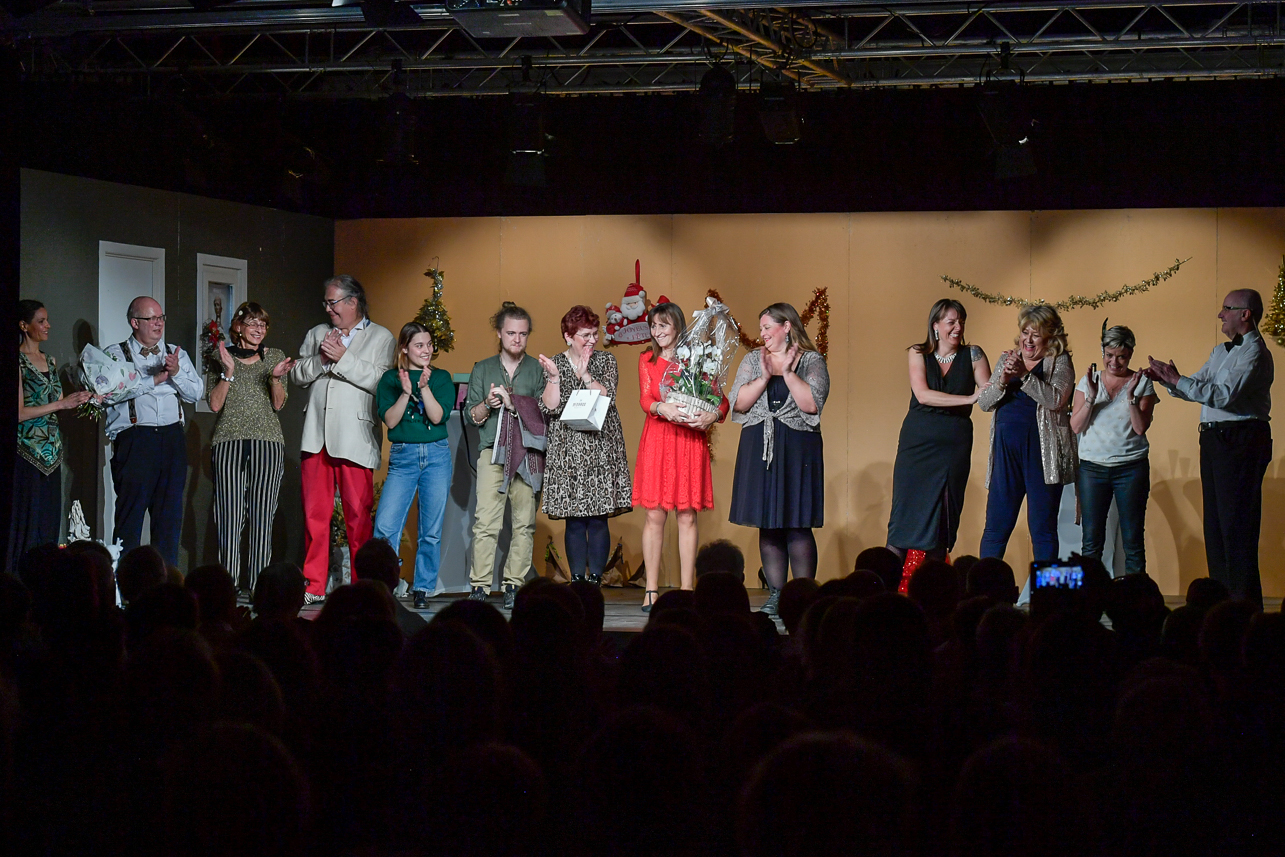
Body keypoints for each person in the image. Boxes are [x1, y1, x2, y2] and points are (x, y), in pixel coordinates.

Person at [1146, 289, 1273, 608]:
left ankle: (1243, 609)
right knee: (1215, 528)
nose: (1220, 314)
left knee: (1236, 527)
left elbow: (1223, 396)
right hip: (1216, 440)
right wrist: (1168, 380)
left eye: (1226, 308)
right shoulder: (1220, 351)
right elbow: (1199, 387)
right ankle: (1222, 608)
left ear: (1245, 314)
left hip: (1241, 439)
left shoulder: (1254, 352)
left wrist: (1178, 379)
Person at [290, 275, 396, 604]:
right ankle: (313, 585)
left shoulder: (381, 337)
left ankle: (364, 586)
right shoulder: (317, 334)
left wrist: (343, 358)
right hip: (316, 436)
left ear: (353, 302)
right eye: (325, 302)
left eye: (333, 302)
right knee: (314, 516)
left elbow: (382, 381)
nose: (328, 309)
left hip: (355, 436)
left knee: (357, 517)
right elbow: (297, 374)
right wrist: (322, 360)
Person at [728, 303, 830, 616]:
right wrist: (763, 377)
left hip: (797, 447)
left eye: (767, 327)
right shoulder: (753, 359)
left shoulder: (811, 360)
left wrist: (786, 373)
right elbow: (738, 402)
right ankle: (777, 594)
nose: (762, 334)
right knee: (768, 522)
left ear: (786, 327)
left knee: (796, 522)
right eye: (761, 328)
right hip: (759, 445)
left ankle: (804, 596)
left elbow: (812, 404)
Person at [633, 300, 727, 612]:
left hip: (688, 442)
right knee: (654, 514)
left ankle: (687, 590)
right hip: (658, 439)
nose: (657, 331)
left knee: (687, 515)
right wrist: (661, 407)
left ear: (678, 327)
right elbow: (645, 398)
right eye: (653, 326)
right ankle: (651, 589)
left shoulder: (697, 359)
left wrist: (713, 415)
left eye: (664, 325)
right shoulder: (647, 359)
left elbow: (722, 400)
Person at [886, 299, 991, 566]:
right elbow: (923, 395)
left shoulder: (974, 354)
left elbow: (988, 397)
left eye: (961, 322)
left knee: (942, 525)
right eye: (951, 322)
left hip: (953, 447)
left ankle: (934, 588)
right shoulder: (917, 352)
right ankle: (885, 588)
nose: (958, 328)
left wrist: (1004, 376)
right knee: (903, 521)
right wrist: (968, 398)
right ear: (935, 325)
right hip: (918, 445)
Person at [104, 296, 204, 567]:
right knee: (130, 518)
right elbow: (111, 393)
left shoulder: (175, 353)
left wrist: (177, 372)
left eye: (161, 318)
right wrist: (154, 379)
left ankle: (166, 582)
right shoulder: (115, 354)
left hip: (172, 440)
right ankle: (122, 584)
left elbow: (196, 393)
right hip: (136, 440)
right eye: (152, 318)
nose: (159, 323)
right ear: (135, 323)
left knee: (168, 518)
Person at [537, 305, 633, 584]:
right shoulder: (555, 363)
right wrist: (554, 377)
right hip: (568, 449)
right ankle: (578, 579)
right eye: (585, 335)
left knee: (599, 516)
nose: (592, 340)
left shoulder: (606, 360)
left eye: (594, 334)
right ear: (568, 336)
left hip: (601, 445)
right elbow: (550, 407)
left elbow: (607, 397)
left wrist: (585, 374)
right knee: (575, 518)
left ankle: (595, 580)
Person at [977, 304, 1077, 564]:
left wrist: (1024, 375)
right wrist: (1002, 380)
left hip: (1041, 455)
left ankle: (1046, 589)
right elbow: (984, 403)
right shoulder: (1007, 359)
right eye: (1025, 332)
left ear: (1050, 337)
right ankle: (985, 586)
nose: (1028, 340)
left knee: (1042, 530)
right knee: (995, 527)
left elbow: (1056, 400)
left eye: (1036, 334)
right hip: (1005, 452)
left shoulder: (1060, 361)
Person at [207, 302, 294, 594]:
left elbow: (278, 404)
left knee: (262, 516)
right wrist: (228, 371)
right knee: (228, 516)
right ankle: (227, 588)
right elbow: (214, 404)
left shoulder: (275, 357)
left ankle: (259, 588)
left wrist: (275, 378)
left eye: (263, 324)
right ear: (238, 326)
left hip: (267, 442)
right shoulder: (220, 356)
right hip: (228, 441)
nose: (259, 329)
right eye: (253, 323)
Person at [465, 302, 546, 611]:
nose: (517, 339)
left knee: (524, 523)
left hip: (527, 454)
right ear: (499, 333)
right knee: (486, 522)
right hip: (492, 452)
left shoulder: (537, 369)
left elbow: (545, 414)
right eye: (511, 333)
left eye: (523, 334)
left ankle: (514, 584)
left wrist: (516, 404)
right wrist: (488, 403)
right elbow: (472, 416)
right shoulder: (483, 368)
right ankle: (480, 586)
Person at [372, 321, 456, 609]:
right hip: (403, 457)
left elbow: (437, 417)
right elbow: (391, 420)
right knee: (385, 526)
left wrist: (424, 388)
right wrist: (407, 392)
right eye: (419, 345)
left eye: (429, 344)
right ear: (405, 348)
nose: (426, 350)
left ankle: (422, 588)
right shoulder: (389, 379)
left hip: (436, 456)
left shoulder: (441, 377)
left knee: (430, 529)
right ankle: (384, 588)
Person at [1069, 322, 1157, 576]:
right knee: (1091, 541)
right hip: (1092, 469)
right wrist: (1091, 397)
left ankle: (1134, 596)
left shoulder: (1142, 383)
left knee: (1132, 539)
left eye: (1121, 356)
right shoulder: (1089, 381)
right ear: (1103, 352)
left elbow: (1140, 428)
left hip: (1131, 468)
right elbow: (1076, 426)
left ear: (1130, 354)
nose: (1114, 362)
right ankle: (1090, 595)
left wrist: (1131, 398)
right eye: (1109, 355)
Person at [12, 300, 93, 570]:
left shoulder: (50, 360)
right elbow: (19, 413)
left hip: (52, 453)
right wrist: (61, 404)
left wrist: (86, 400)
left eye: (47, 320)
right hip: (27, 451)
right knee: (27, 521)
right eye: (41, 321)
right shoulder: (18, 362)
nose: (48, 326)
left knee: (48, 523)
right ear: (24, 326)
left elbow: (60, 406)